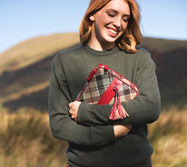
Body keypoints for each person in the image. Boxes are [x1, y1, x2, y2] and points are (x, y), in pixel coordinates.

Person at [48, 0, 161, 166]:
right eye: (111, 14)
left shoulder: (139, 59)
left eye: (125, 18)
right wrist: (110, 132)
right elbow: (59, 124)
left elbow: (150, 107)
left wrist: (86, 112)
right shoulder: (65, 61)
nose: (118, 23)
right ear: (92, 14)